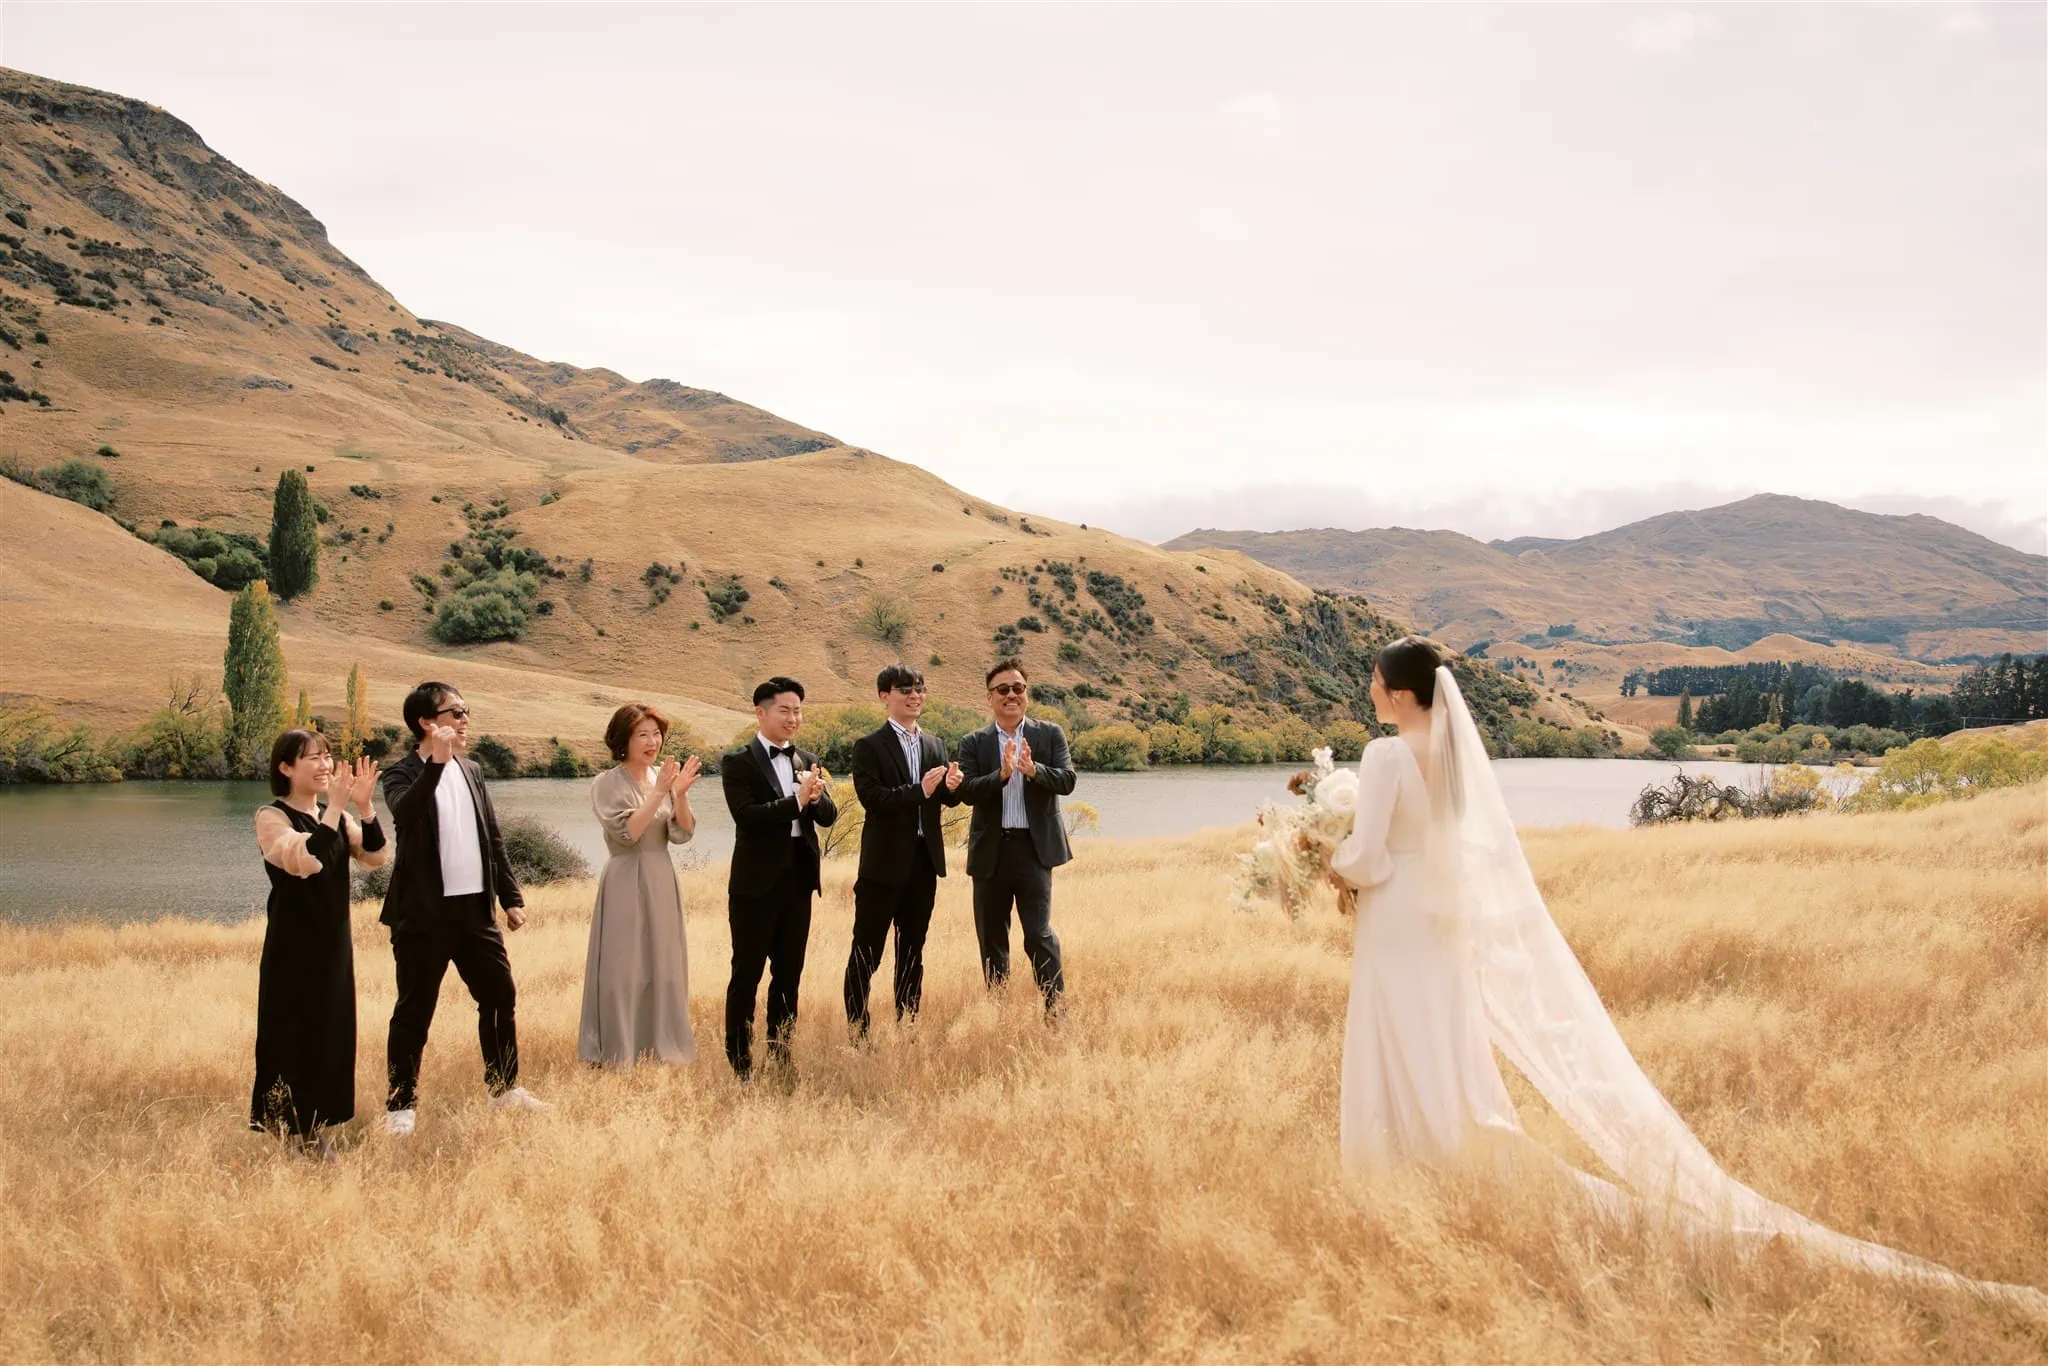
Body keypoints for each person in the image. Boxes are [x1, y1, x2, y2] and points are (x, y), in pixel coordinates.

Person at [1329, 637, 2048, 1314]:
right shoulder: (1453, 755)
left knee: (1396, 1036)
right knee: (1442, 1046)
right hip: (1441, 928)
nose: (1369, 692)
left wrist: (1320, 857)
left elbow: (1367, 860)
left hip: (1395, 924)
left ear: (1397, 693)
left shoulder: (1387, 756)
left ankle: (1405, 1162)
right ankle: (1448, 1145)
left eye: (1374, 682)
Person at [378, 682, 547, 1134]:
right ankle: (400, 1105)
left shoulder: (472, 769)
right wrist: (435, 761)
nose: (465, 718)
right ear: (427, 724)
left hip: (475, 913)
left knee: (499, 996)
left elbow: (492, 837)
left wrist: (511, 898)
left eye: (466, 710)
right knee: (415, 1010)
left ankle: (504, 1089)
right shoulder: (399, 775)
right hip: (422, 916)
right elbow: (407, 814)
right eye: (456, 712)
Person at [251, 730, 385, 1158]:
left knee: (331, 1032)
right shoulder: (271, 818)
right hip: (293, 945)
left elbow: (376, 856)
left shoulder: (337, 816)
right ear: (285, 768)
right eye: (313, 758)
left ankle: (317, 1125)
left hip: (333, 942)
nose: (326, 765)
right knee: (292, 1033)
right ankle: (292, 1130)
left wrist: (364, 807)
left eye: (328, 757)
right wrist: (340, 809)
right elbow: (306, 860)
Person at [720, 676, 838, 1084]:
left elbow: (827, 818)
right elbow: (747, 816)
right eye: (785, 710)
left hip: (798, 882)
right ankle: (740, 1063)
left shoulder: (806, 758)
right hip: (754, 886)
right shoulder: (738, 762)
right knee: (746, 974)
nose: (793, 718)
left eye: (798, 710)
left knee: (789, 974)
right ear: (761, 712)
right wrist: (796, 801)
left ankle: (781, 1054)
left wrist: (818, 798)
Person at [844, 663, 963, 1037]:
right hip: (882, 868)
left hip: (923, 864)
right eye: (905, 689)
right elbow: (873, 799)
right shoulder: (869, 746)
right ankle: (857, 1029)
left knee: (913, 950)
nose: (915, 695)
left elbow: (941, 800)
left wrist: (952, 788)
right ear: (884, 696)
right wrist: (921, 791)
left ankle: (907, 1025)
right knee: (867, 951)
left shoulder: (935, 744)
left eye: (920, 689)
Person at [580, 703, 702, 1067]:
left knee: (662, 964)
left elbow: (683, 833)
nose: (652, 742)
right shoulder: (606, 783)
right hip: (624, 878)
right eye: (642, 735)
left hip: (661, 876)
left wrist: (678, 794)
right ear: (623, 739)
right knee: (623, 967)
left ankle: (660, 1046)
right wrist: (659, 791)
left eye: (656, 734)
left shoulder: (660, 780)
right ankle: (619, 1051)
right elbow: (629, 832)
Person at [954, 658, 1076, 1015]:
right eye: (1003, 689)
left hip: (1033, 851)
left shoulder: (1049, 734)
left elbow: (1067, 781)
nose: (1011, 695)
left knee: (1039, 934)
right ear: (989, 697)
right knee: (992, 938)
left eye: (1018, 688)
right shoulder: (974, 742)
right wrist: (1002, 775)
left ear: (1027, 693)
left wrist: (1033, 770)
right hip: (991, 852)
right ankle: (999, 1009)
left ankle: (1055, 1009)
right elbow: (967, 792)